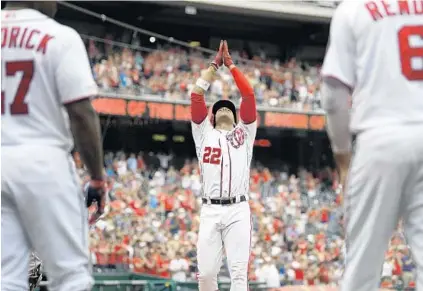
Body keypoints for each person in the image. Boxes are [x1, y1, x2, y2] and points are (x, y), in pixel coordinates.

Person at [1, 2, 105, 291]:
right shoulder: (59, 36)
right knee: (72, 276)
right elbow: (81, 114)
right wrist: (97, 176)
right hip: (42, 158)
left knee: (6, 278)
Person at [321, 0, 423, 291]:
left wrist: (342, 155)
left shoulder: (353, 9)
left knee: (363, 262)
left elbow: (333, 97)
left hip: (380, 137)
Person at [191, 40, 257, 291]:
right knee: (206, 275)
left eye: (229, 107)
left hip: (238, 208)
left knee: (239, 275)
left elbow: (248, 94)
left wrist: (231, 65)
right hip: (210, 210)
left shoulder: (245, 133)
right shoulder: (203, 132)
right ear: (213, 115)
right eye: (219, 108)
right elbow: (197, 94)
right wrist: (213, 66)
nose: (224, 109)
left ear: (236, 115)